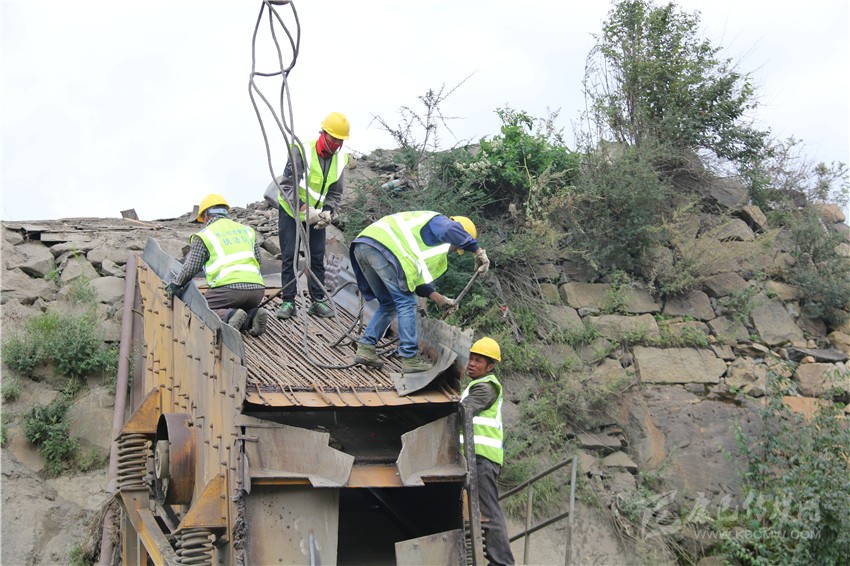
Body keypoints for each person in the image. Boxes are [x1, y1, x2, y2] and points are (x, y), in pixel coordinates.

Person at [350, 211, 490, 373]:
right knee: (407, 302)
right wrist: (477, 251)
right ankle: (409, 358)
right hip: (383, 248)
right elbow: (450, 229)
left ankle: (366, 347)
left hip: (364, 246)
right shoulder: (440, 222)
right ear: (458, 230)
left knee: (390, 303)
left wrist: (440, 299)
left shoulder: (428, 244)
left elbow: (416, 282)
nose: (454, 249)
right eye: (457, 246)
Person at [274, 111, 350, 320]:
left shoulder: (339, 160)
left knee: (316, 256)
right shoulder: (302, 151)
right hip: (292, 211)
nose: (337, 144)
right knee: (290, 256)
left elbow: (335, 192)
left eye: (340, 141)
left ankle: (317, 301)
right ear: (323, 134)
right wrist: (303, 209)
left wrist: (328, 211)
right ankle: (288, 302)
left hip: (317, 217)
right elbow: (287, 185)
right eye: (334, 139)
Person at [166, 194, 268, 337]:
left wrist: (176, 284)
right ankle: (253, 314)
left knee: (200, 308)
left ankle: (229, 316)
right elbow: (258, 260)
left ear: (206, 216)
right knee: (241, 306)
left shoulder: (205, 235)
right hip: (257, 291)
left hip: (229, 291)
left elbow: (190, 268)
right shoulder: (247, 230)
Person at [460, 337, 515, 566]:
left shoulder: (487, 387)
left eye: (478, 361)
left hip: (482, 458)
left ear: (490, 366)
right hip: (474, 458)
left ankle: (502, 562)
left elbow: (463, 410)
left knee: (489, 511)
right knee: (482, 510)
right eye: (471, 359)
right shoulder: (475, 386)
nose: (472, 364)